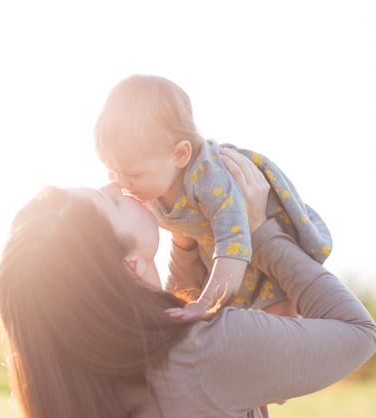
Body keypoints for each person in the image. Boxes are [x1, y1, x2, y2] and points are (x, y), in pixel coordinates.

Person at [0, 149, 376, 418]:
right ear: (129, 266)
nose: (115, 186)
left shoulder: (73, 383)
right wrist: (260, 235)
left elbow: (167, 322)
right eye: (107, 201)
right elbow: (358, 333)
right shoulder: (208, 351)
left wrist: (185, 240)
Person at [94, 74, 332, 316]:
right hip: (223, 260)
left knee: (280, 317)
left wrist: (207, 304)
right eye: (113, 171)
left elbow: (233, 241)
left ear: (180, 154)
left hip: (265, 245)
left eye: (134, 173)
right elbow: (187, 257)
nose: (122, 182)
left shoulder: (208, 177)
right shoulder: (151, 182)